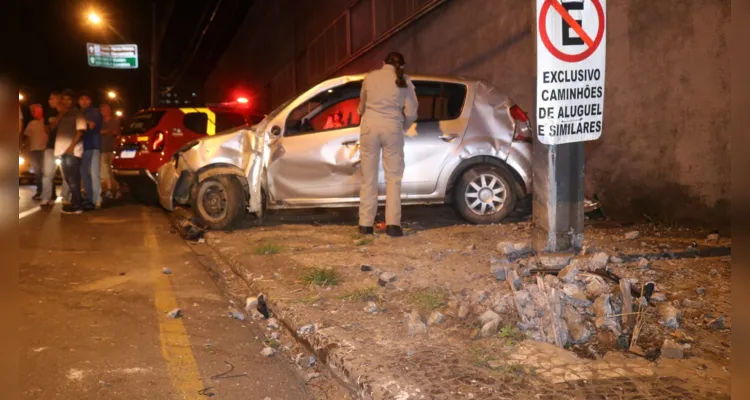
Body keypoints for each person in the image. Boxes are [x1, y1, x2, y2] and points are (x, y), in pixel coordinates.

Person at [357, 52, 418, 237]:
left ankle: (365, 225)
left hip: (369, 129)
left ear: (383, 63)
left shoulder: (370, 77)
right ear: (402, 66)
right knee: (393, 178)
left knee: (368, 177)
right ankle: (393, 225)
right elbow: (412, 111)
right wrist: (404, 126)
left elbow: (362, 107)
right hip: (392, 128)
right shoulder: (404, 80)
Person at [54, 90, 87, 214]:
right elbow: (52, 127)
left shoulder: (78, 114)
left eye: (68, 99)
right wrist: (60, 114)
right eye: (63, 99)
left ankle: (77, 206)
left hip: (72, 152)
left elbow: (81, 131)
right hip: (62, 151)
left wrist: (71, 147)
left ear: (73, 101)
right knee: (68, 179)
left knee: (73, 180)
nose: (65, 102)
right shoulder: (63, 115)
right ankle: (76, 204)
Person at [41, 92, 68, 208]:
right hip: (50, 146)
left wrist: (60, 115)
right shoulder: (49, 112)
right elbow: (47, 129)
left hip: (64, 147)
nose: (49, 100)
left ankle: (66, 197)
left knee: (66, 174)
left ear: (59, 99)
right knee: (47, 174)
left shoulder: (68, 112)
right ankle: (46, 198)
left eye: (51, 98)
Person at [78, 92, 103, 209]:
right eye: (81, 99)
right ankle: (89, 197)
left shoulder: (94, 112)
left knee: (94, 173)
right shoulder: (79, 113)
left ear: (90, 101)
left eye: (86, 99)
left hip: (92, 145)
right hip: (81, 147)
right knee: (84, 173)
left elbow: (92, 125)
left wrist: (81, 119)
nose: (83, 101)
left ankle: (97, 199)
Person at [23, 104, 47, 200]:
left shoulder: (47, 122)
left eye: (35, 110)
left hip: (45, 150)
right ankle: (39, 191)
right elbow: (27, 137)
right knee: (38, 172)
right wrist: (24, 148)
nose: (33, 113)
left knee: (47, 172)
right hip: (34, 151)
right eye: (31, 111)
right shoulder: (31, 123)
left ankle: (50, 193)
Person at [99, 104, 121, 199]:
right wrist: (108, 131)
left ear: (110, 110)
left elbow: (117, 132)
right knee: (105, 170)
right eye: (103, 109)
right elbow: (98, 132)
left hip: (111, 148)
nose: (104, 110)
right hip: (101, 149)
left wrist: (109, 131)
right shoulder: (99, 121)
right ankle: (110, 189)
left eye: (106, 109)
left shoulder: (115, 121)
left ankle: (114, 189)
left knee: (109, 171)